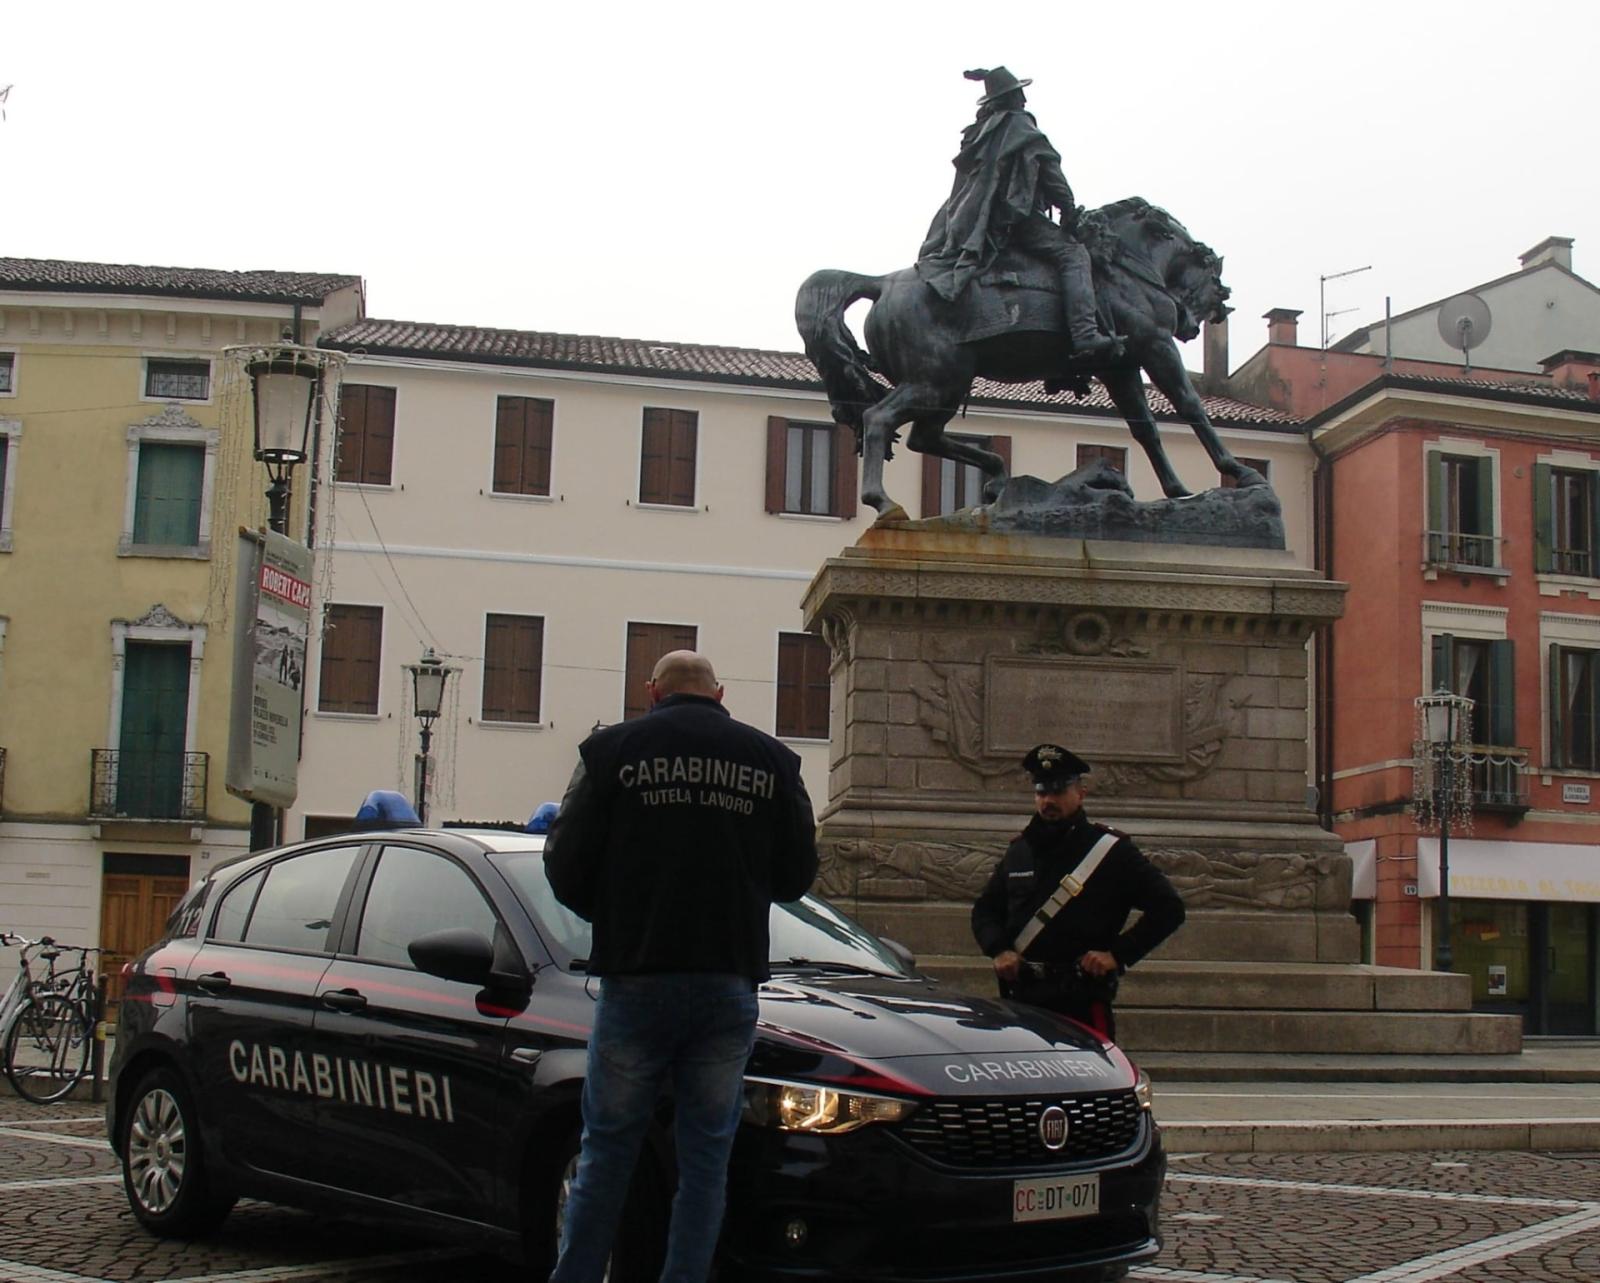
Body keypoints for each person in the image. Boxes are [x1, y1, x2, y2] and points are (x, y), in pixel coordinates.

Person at [544, 650, 818, 1283]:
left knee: (607, 1150)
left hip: (637, 976)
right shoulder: (774, 761)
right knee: (705, 1161)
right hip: (728, 980)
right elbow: (797, 876)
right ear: (720, 693)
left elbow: (563, 864)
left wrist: (615, 913)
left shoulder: (608, 753)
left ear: (651, 691)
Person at [971, 743, 1184, 1039]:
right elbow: (986, 910)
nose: (1049, 800)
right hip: (1023, 996)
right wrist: (999, 949)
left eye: (1058, 791)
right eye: (1042, 792)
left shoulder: (1111, 851)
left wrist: (1118, 955)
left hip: (1081, 998)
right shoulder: (1020, 850)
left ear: (1080, 793)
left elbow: (1169, 908)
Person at [916, 66, 1123, 362]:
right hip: (1018, 219)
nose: (1024, 99)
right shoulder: (1021, 127)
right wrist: (1068, 210)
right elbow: (1053, 177)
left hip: (976, 222)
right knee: (1074, 255)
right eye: (1019, 93)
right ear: (1012, 98)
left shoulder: (980, 133)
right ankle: (1084, 332)